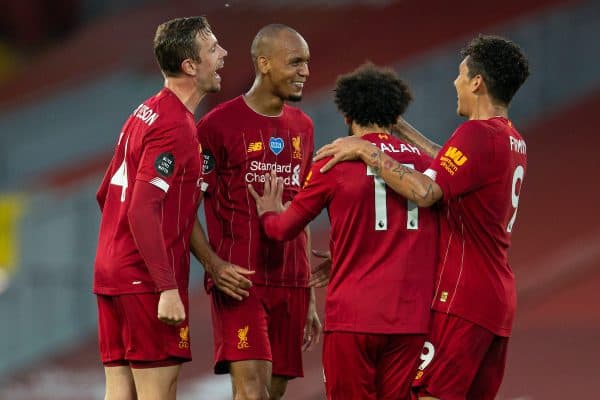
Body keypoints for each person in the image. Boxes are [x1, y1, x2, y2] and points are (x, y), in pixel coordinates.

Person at [315, 35, 530, 400]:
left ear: (477, 82)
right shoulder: (511, 140)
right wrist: (400, 128)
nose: (455, 82)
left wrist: (367, 150)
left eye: (461, 74)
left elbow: (427, 192)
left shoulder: (475, 133)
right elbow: (446, 162)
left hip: (461, 299)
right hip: (497, 302)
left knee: (426, 395)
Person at [248, 63, 439, 400]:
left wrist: (268, 213)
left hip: (353, 319)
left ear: (347, 114)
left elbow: (282, 231)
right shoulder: (426, 168)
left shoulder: (334, 161)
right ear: (395, 114)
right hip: (411, 320)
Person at [92, 16, 227, 400]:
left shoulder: (145, 111)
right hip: (145, 280)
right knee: (158, 392)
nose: (224, 55)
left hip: (113, 271)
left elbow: (106, 194)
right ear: (190, 65)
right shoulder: (175, 126)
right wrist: (166, 286)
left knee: (120, 390)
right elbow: (141, 208)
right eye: (213, 49)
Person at [190, 24, 321, 400]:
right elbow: (186, 210)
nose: (305, 72)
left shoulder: (305, 127)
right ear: (264, 63)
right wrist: (214, 266)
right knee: (251, 393)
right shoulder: (216, 126)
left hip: (291, 283)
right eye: (295, 62)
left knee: (272, 394)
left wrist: (310, 295)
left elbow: (303, 209)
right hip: (240, 280)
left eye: (307, 63)